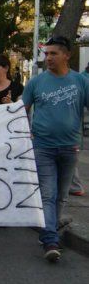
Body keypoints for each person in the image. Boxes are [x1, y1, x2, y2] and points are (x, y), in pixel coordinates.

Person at [22, 36, 89, 263]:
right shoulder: (36, 82)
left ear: (66, 55)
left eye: (53, 53)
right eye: (46, 54)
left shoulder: (80, 81)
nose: (48, 58)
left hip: (70, 147)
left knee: (61, 195)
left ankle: (49, 229)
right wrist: (24, 132)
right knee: (48, 194)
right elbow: (21, 111)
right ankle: (50, 239)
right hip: (43, 147)